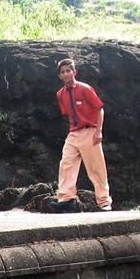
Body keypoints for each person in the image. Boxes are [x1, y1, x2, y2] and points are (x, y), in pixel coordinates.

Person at [48, 58, 111, 213]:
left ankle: (104, 202)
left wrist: (99, 131)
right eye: (62, 72)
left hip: (90, 130)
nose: (66, 74)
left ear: (74, 72)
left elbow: (99, 109)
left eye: (68, 70)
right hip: (74, 132)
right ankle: (66, 198)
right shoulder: (60, 94)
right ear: (59, 76)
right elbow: (68, 114)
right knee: (66, 163)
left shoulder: (85, 89)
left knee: (96, 167)